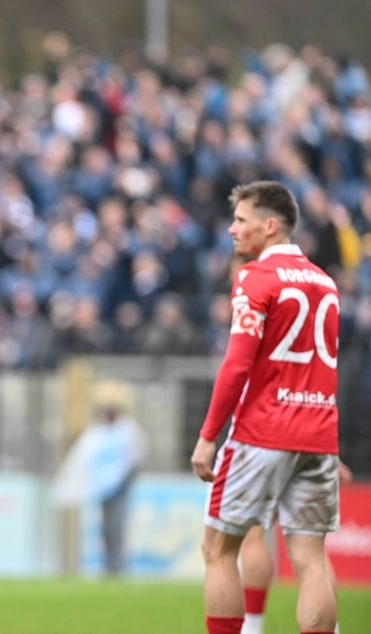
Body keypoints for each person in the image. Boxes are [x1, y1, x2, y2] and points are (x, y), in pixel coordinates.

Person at [190, 181, 341, 634]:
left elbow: (237, 364)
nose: (232, 230)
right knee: (312, 561)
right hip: (318, 434)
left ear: (269, 226)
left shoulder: (255, 278)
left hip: (262, 431)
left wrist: (208, 435)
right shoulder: (325, 283)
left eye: (240, 220)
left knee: (219, 551)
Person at [239, 461, 352, 634]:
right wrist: (329, 458)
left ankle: (251, 628)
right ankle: (332, 628)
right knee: (313, 552)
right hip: (313, 451)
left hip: (268, 449)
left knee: (253, 534)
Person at [49, 380, 147, 575]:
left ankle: (117, 566)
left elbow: (135, 457)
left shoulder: (128, 430)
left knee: (117, 526)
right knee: (105, 528)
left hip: (121, 486)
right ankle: (108, 566)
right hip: (102, 486)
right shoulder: (97, 432)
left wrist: (124, 480)